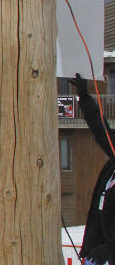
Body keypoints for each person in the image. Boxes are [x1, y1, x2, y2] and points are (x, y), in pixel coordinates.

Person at [72, 73, 115, 264]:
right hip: (99, 251)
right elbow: (101, 130)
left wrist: (111, 249)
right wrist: (84, 96)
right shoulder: (111, 167)